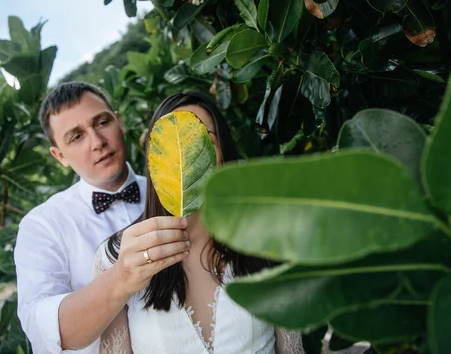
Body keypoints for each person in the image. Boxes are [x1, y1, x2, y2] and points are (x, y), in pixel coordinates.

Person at [93, 91, 303, 354]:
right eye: (174, 146)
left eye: (204, 140)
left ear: (224, 155)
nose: (189, 158)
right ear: (153, 161)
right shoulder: (116, 256)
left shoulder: (267, 238)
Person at [14, 82, 190, 353]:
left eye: (102, 122)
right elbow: (47, 332)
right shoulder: (41, 225)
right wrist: (121, 277)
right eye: (76, 137)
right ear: (59, 155)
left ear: (119, 122)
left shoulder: (176, 190)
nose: (97, 142)